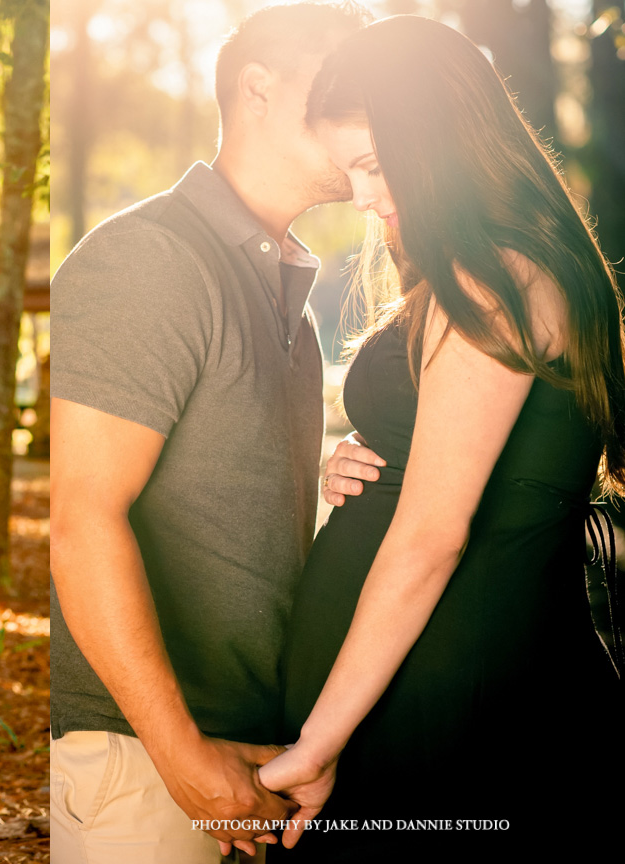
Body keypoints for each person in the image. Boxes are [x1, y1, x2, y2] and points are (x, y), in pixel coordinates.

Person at [256, 16, 625, 861]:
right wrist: (357, 460)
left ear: (444, 140)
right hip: (421, 693)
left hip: (448, 708)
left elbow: (429, 539)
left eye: (375, 165)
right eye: (351, 169)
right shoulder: (502, 265)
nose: (360, 195)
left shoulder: (494, 278)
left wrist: (317, 744)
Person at [49, 3, 379, 861]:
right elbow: (81, 519)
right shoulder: (149, 259)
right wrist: (177, 753)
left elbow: (208, 497)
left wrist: (316, 491)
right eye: (340, 85)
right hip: (141, 754)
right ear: (258, 89)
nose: (365, 115)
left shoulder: (289, 307)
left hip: (250, 755)